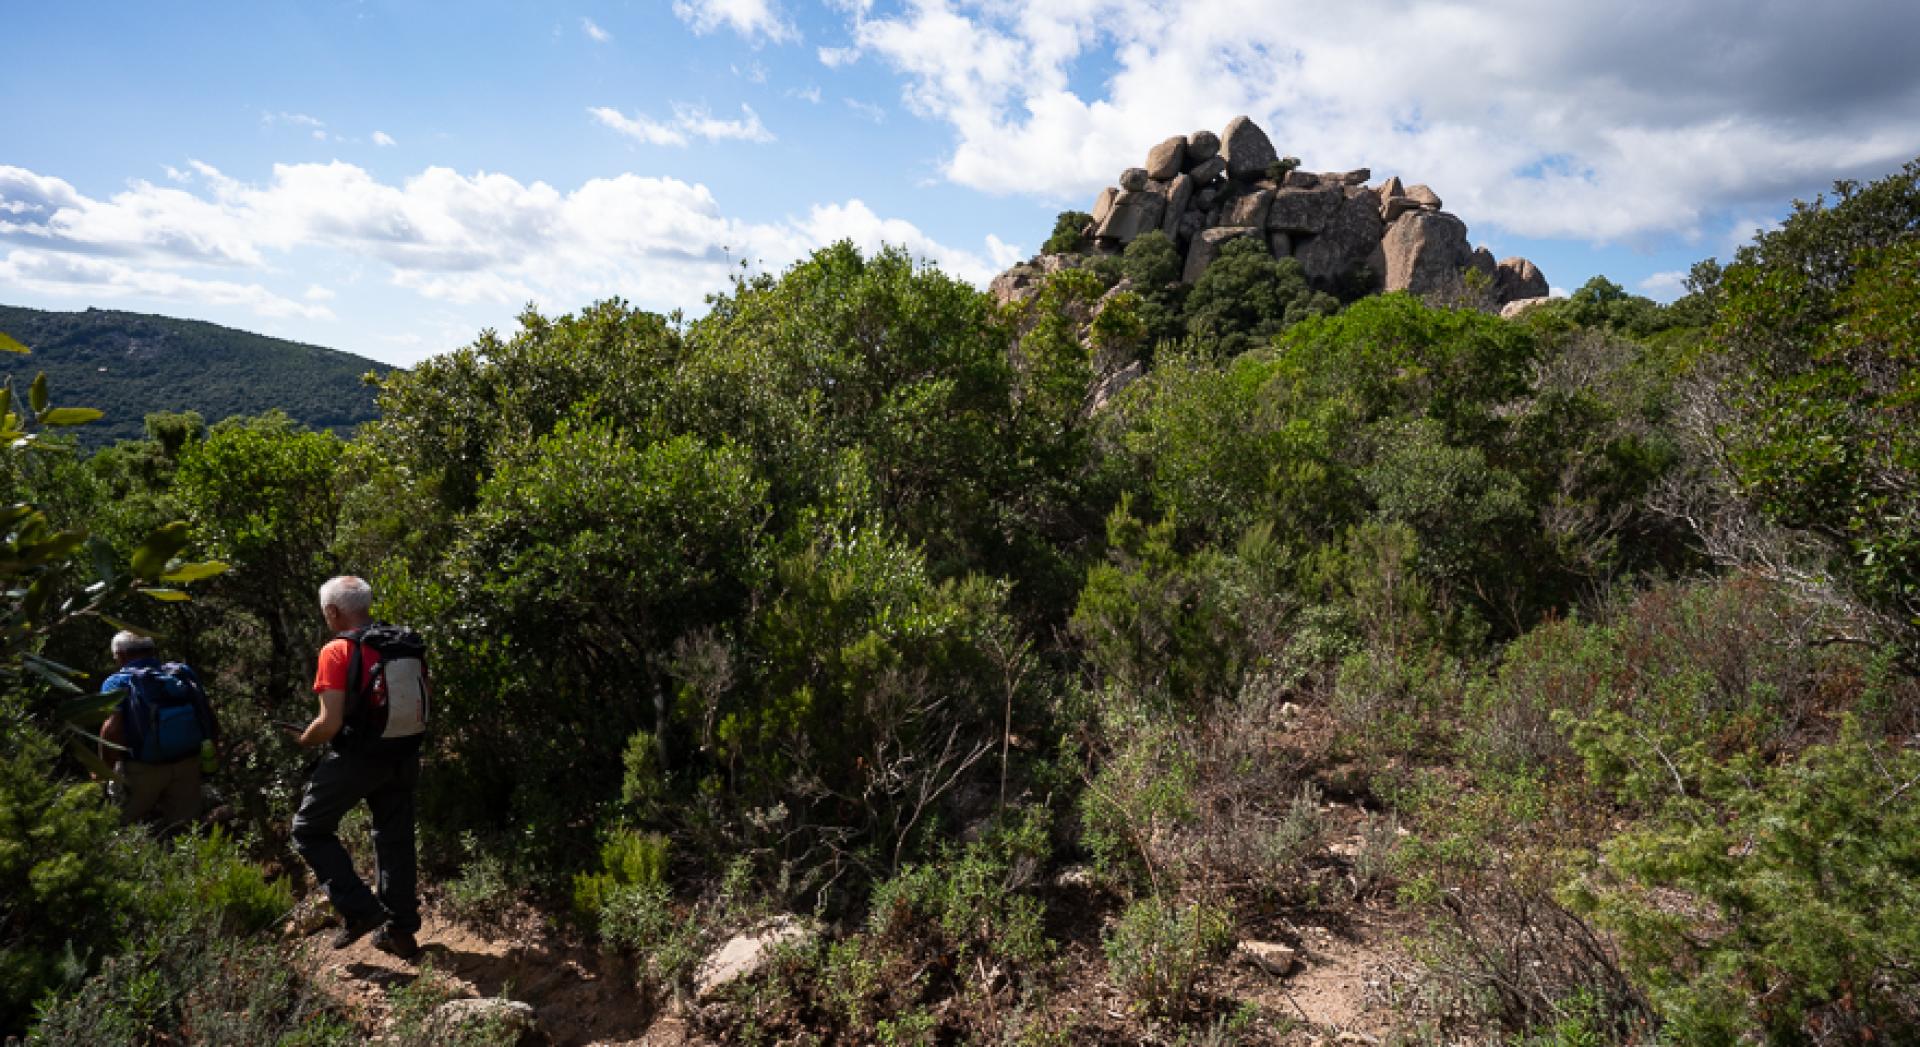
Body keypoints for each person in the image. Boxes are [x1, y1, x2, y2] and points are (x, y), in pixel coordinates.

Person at [290, 575, 428, 960]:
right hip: (403, 752)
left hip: (359, 757)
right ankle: (400, 930)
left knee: (309, 829)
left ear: (333, 612)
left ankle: (360, 910)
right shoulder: (403, 643)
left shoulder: (337, 651)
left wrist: (305, 739)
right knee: (394, 838)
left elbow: (329, 723)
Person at [98, 631, 218, 831]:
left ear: (121, 655)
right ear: (152, 651)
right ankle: (188, 861)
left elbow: (112, 730)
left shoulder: (118, 682)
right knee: (186, 828)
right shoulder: (182, 673)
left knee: (121, 824)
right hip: (188, 762)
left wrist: (105, 769)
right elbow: (206, 712)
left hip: (143, 768)